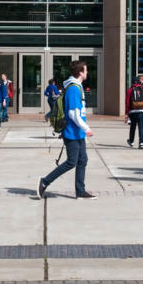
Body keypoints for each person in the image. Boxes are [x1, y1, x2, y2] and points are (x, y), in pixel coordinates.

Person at [36, 59, 95, 200]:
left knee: (82, 160)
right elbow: (73, 113)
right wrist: (86, 128)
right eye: (86, 70)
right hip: (72, 132)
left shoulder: (76, 86)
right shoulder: (74, 88)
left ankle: (80, 191)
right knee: (71, 162)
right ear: (81, 72)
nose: (87, 73)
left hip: (77, 132)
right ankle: (44, 181)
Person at [126, 75, 143, 148]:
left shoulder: (130, 90)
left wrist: (127, 113)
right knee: (141, 127)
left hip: (132, 112)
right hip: (141, 111)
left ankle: (131, 141)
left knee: (133, 127)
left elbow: (127, 102)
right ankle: (141, 143)